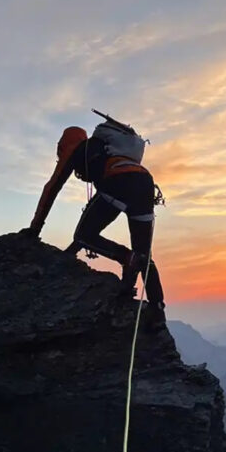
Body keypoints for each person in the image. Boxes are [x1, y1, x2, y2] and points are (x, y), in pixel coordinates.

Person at [29, 124, 166, 330]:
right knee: (144, 255)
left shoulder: (76, 150)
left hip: (118, 180)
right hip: (145, 182)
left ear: (65, 143)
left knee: (84, 235)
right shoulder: (108, 149)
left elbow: (52, 188)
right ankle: (158, 309)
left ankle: (126, 258)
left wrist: (34, 229)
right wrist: (70, 252)